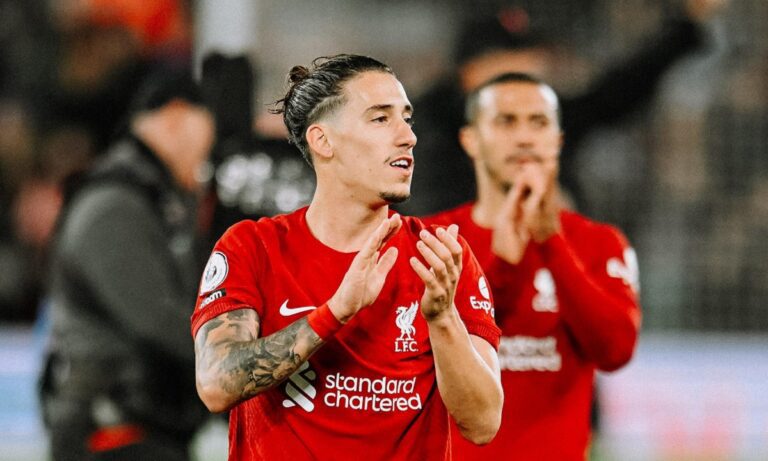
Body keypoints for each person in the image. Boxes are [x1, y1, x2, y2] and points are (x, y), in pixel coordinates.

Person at [191, 54, 503, 460]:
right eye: (380, 119)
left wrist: (442, 319)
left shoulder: (439, 258)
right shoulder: (253, 247)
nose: (407, 136)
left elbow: (483, 423)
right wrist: (335, 311)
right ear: (323, 141)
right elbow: (215, 384)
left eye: (406, 119)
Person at [423, 72, 642, 460]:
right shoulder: (433, 240)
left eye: (538, 122)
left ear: (557, 141)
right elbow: (418, 352)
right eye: (506, 121)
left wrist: (551, 244)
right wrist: (503, 267)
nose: (524, 137)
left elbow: (615, 351)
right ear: (470, 140)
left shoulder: (599, 243)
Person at [400, 0, 726, 216]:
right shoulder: (421, 126)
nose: (532, 75)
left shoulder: (546, 113)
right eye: (515, 65)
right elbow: (428, 217)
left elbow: (614, 94)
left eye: (536, 64)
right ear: (472, 70)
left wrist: (686, 27)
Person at [40, 69, 215, 460]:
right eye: (208, 133)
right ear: (176, 118)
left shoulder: (154, 197)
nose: (207, 154)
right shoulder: (115, 205)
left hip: (144, 423)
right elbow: (157, 319)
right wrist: (240, 356)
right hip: (111, 426)